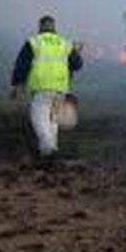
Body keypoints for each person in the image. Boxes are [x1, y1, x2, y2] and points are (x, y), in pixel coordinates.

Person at [9, 15, 83, 159]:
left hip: (41, 88)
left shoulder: (34, 42)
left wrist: (16, 85)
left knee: (39, 118)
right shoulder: (65, 43)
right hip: (60, 88)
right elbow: (78, 64)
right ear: (54, 27)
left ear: (40, 27)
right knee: (53, 121)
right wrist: (76, 52)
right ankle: (50, 152)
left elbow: (21, 66)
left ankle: (48, 148)